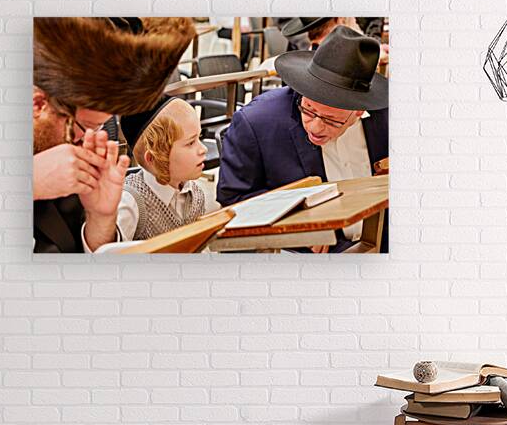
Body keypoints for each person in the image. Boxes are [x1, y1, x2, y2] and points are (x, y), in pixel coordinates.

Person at [216, 25, 389, 253]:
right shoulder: (256, 123)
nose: (315, 127)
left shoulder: (386, 117)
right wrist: (300, 228)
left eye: (331, 120)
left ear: (359, 111)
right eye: (308, 110)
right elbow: (232, 201)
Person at [33, 17, 195, 253]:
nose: (85, 142)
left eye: (99, 127)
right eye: (84, 127)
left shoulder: (67, 151)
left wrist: (100, 217)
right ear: (38, 105)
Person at [116, 97, 209, 241]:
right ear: (153, 158)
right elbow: (108, 252)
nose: (204, 149)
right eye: (190, 143)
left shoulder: (196, 195)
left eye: (200, 137)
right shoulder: (130, 204)